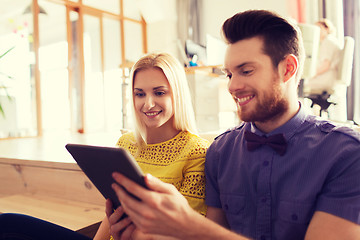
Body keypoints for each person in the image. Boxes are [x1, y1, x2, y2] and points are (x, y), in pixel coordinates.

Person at [108, 10, 360, 240]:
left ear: (288, 69)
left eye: (246, 71)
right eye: (229, 74)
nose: (232, 86)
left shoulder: (345, 154)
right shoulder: (221, 151)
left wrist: (188, 224)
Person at [0, 52, 210, 240]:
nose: (148, 104)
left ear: (177, 94)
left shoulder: (196, 152)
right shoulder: (126, 144)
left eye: (159, 92)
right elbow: (112, 215)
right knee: (8, 224)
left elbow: (188, 232)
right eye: (140, 94)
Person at [306, 19, 341, 93]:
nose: (316, 31)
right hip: (330, 79)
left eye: (319, 28)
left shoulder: (328, 41)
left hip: (326, 79)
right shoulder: (331, 41)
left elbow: (325, 65)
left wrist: (312, 75)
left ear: (327, 29)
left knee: (300, 84)